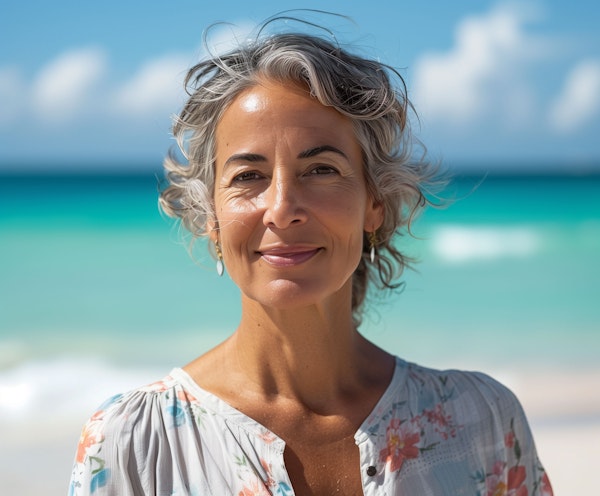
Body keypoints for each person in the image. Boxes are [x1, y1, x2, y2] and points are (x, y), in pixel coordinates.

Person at [69, 19, 553, 496]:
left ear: (375, 203)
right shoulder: (135, 445)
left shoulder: (480, 422)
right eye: (247, 177)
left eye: (321, 169)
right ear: (211, 217)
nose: (281, 208)